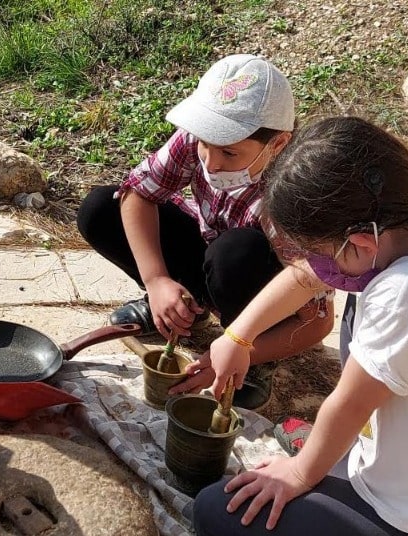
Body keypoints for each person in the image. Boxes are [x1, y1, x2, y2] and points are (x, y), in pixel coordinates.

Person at [193, 116, 408, 535]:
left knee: (215, 509)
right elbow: (307, 277)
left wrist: (299, 472)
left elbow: (350, 405)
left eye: (319, 252)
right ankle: (339, 454)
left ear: (361, 241)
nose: (317, 265)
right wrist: (237, 336)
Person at [76, 54, 332, 409]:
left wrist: (239, 347)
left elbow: (316, 323)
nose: (211, 162)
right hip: (211, 252)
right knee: (100, 210)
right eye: (204, 144)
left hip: (256, 283)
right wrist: (156, 281)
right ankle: (181, 311)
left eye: (229, 153)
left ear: (277, 144)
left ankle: (255, 354)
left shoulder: (294, 196)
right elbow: (139, 194)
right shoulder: (203, 141)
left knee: (236, 252)